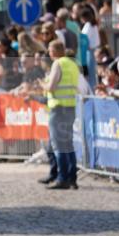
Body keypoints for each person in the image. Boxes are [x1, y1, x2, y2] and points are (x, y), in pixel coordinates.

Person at [42, 39, 81, 190]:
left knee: (58, 145)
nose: (49, 54)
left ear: (56, 51)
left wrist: (43, 86)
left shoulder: (58, 64)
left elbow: (51, 87)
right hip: (70, 107)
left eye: (50, 51)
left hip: (58, 108)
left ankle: (62, 178)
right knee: (68, 144)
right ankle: (72, 178)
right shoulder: (72, 63)